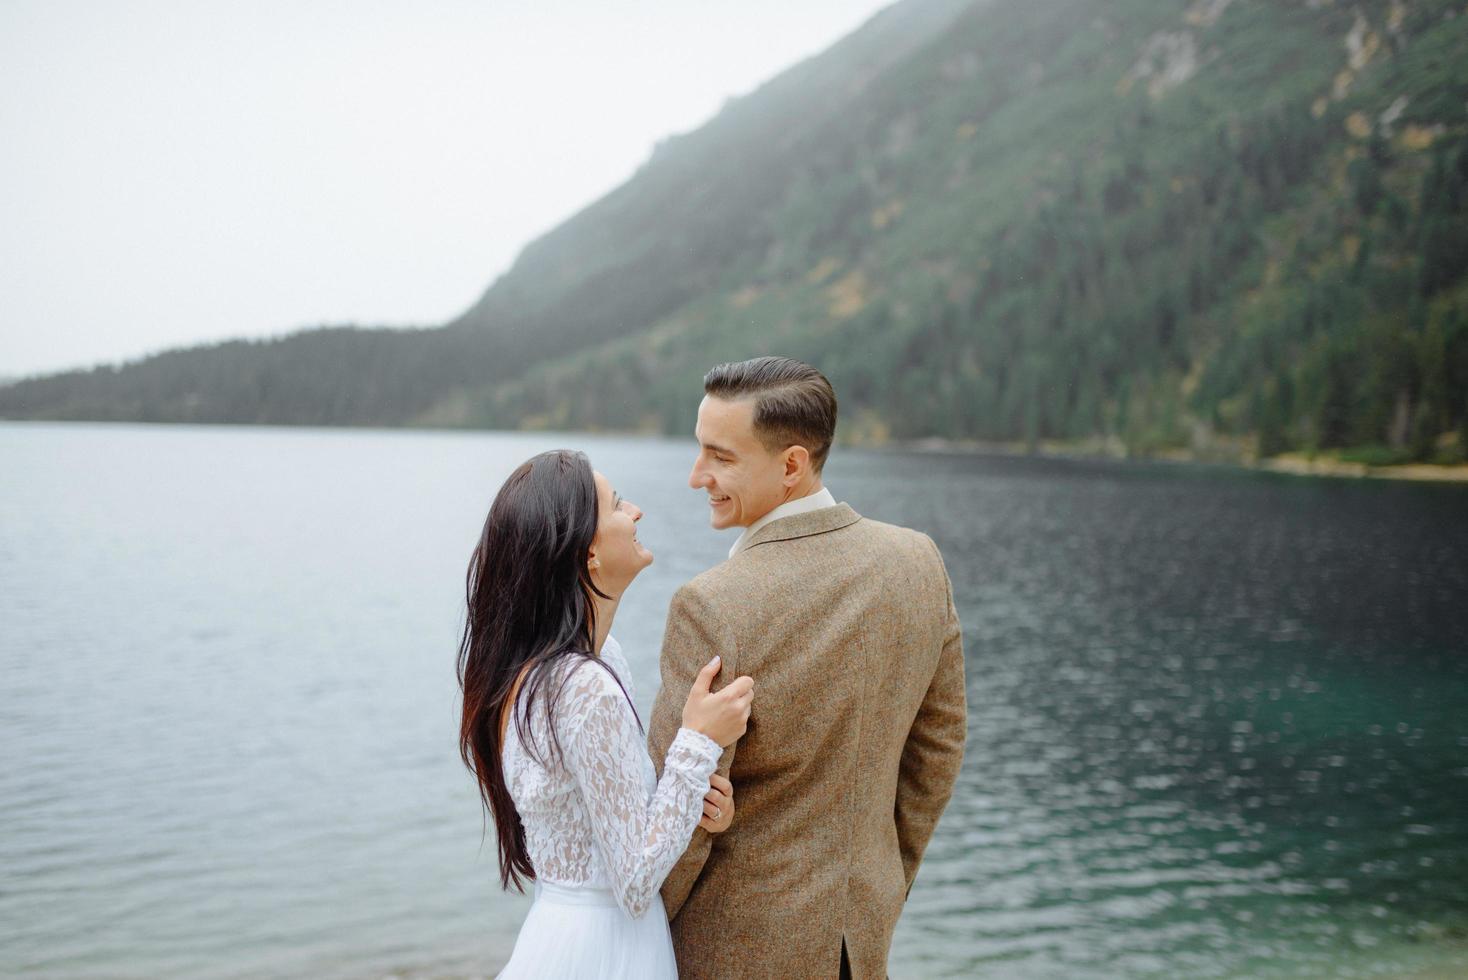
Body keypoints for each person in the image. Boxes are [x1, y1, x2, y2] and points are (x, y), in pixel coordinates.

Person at [647, 356, 968, 980]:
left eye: (721, 457)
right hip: (861, 940)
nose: (696, 476)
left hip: (729, 950)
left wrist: (637, 934)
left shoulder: (711, 605)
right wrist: (878, 883)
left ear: (791, 464)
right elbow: (939, 749)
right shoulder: (918, 560)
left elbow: (675, 815)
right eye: (698, 450)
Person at [456, 449, 755, 979]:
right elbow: (636, 881)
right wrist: (698, 743)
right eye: (618, 506)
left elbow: (606, 823)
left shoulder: (584, 661)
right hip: (601, 950)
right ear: (588, 555)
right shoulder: (584, 685)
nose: (635, 511)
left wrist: (701, 807)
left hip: (569, 929)